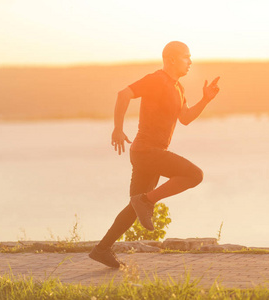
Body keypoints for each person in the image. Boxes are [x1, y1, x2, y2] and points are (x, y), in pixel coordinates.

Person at [89, 41, 220, 268]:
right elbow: (123, 94)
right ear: (171, 59)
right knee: (194, 175)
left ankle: (102, 249)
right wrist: (118, 128)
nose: (190, 62)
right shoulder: (155, 80)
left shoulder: (179, 88)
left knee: (134, 208)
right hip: (146, 152)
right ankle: (147, 200)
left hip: (150, 154)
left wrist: (206, 99)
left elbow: (186, 118)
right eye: (185, 57)